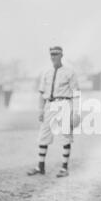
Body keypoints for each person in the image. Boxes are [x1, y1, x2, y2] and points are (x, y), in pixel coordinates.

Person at [27, 46, 80, 178]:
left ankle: (64, 168)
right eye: (51, 54)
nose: (53, 56)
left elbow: (76, 93)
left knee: (65, 135)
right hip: (49, 104)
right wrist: (40, 110)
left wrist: (75, 112)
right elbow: (41, 93)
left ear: (61, 55)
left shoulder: (69, 71)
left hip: (64, 104)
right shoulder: (46, 72)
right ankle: (40, 166)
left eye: (56, 54)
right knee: (43, 135)